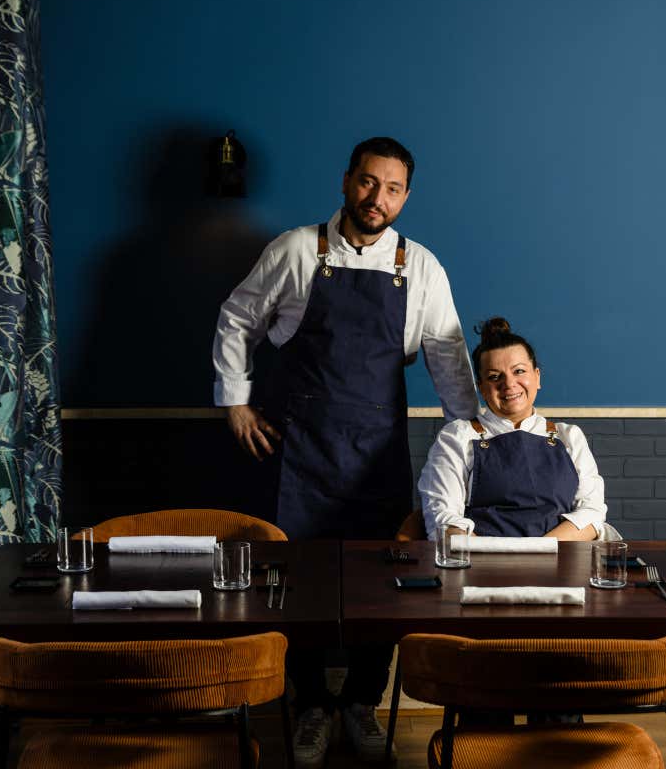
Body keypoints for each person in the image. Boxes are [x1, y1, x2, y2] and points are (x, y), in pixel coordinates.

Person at [212, 136, 477, 767]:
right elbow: (238, 316)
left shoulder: (422, 267)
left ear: (405, 196)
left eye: (391, 188)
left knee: (383, 587)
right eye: (366, 182)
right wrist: (236, 402)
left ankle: (359, 702)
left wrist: (471, 441)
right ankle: (309, 705)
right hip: (297, 452)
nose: (376, 198)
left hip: (378, 456)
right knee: (294, 584)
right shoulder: (298, 250)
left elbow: (447, 357)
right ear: (345, 181)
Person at [418, 317, 605, 541]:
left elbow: (592, 514)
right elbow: (443, 519)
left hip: (561, 562)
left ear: (537, 377)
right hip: (483, 568)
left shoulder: (569, 436)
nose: (509, 384)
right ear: (482, 389)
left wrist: (539, 552)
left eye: (519, 371)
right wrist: (492, 562)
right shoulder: (457, 437)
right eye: (494, 377)